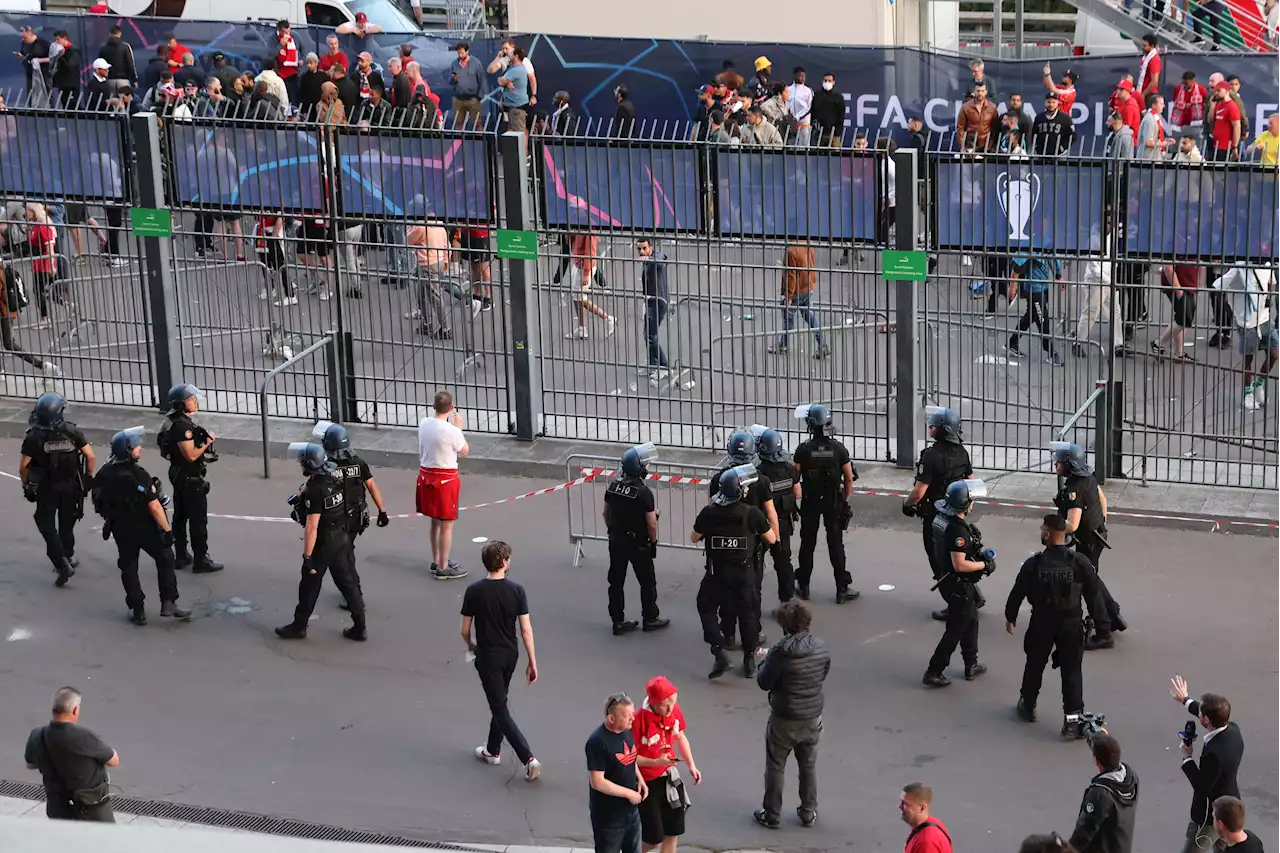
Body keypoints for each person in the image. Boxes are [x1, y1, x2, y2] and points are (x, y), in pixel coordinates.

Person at [1005, 514, 1107, 735]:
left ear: (1049, 534)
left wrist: (1010, 616)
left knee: (1034, 664)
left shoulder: (1034, 564)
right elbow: (1094, 596)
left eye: (1043, 529)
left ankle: (1028, 705)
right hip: (1071, 624)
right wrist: (1102, 626)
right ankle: (1072, 720)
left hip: (1041, 622)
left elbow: (1018, 590)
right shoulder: (1080, 562)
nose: (1041, 532)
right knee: (1071, 670)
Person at [90, 427, 190, 624]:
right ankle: (168, 601)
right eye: (136, 447)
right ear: (127, 450)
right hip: (145, 527)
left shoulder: (105, 472)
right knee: (165, 557)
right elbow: (154, 505)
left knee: (128, 566)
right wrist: (167, 531)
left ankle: (137, 609)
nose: (140, 449)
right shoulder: (138, 474)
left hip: (119, 527)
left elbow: (96, 498)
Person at [461, 541, 541, 780]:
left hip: (488, 656)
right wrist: (532, 661)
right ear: (505, 562)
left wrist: (471, 646)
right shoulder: (517, 590)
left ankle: (528, 757)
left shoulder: (474, 590)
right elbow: (526, 630)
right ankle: (493, 750)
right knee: (500, 700)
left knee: (499, 707)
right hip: (510, 655)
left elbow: (464, 630)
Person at [274, 443, 367, 641]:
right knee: (348, 584)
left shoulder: (316, 490)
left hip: (324, 542)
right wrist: (300, 494)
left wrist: (307, 557)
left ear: (309, 466)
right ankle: (360, 626)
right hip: (342, 538)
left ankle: (299, 626)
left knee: (309, 584)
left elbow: (312, 527)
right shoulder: (334, 478)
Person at [692, 465, 777, 678]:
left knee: (706, 607)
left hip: (716, 572)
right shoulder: (752, 513)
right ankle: (749, 660)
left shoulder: (709, 512)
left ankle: (719, 651)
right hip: (744, 572)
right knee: (747, 613)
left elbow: (694, 537)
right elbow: (772, 538)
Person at [754, 600, 829, 830]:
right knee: (808, 765)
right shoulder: (820, 647)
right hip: (812, 716)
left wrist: (763, 662)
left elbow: (764, 682)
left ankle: (772, 813)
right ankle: (808, 811)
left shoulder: (779, 652)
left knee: (776, 766)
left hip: (784, 718)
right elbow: (823, 673)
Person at [902, 407, 974, 621]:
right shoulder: (962, 452)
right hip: (957, 512)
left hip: (936, 515)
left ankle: (954, 605)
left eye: (933, 425)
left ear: (942, 430)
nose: (930, 428)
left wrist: (906, 504)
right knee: (959, 556)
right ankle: (973, 596)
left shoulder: (931, 455)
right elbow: (971, 481)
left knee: (939, 561)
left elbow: (919, 491)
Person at [709, 431, 778, 651]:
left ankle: (728, 634)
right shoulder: (761, 480)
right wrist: (773, 539)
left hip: (722, 548)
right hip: (751, 546)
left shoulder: (719, 479)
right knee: (751, 593)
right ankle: (753, 634)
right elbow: (771, 512)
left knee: (726, 592)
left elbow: (712, 510)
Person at [1051, 442, 1124, 648]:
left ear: (1070, 465)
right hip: (1097, 537)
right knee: (1092, 578)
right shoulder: (1088, 478)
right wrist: (1101, 522)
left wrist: (1054, 529)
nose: (1056, 466)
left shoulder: (1074, 490)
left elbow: (1072, 525)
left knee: (1088, 587)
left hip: (1088, 542)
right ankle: (1112, 614)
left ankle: (1103, 632)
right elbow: (1102, 499)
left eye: (1059, 462)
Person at [921, 479, 992, 687]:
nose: (973, 504)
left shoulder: (941, 519)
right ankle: (934, 670)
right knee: (956, 629)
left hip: (948, 580)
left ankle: (971, 663)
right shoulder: (957, 531)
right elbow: (960, 564)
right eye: (971, 501)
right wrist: (983, 565)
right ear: (964, 504)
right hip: (958, 584)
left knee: (970, 620)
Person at [20, 393, 92, 585]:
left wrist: (26, 484)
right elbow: (90, 456)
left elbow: (24, 467)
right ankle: (68, 555)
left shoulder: (33, 437)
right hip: (71, 485)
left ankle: (60, 562)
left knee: (45, 523)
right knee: (67, 522)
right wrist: (88, 478)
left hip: (46, 488)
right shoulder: (71, 431)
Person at [315, 422, 388, 609]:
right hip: (356, 518)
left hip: (334, 521)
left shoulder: (326, 467)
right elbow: (371, 486)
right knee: (347, 551)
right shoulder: (359, 463)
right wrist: (382, 511)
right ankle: (352, 593)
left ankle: (354, 595)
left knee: (342, 558)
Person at [1169, 676, 1244, 853]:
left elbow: (1201, 785)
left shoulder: (1214, 754)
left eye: (1201, 714)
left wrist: (1187, 758)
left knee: (1194, 848)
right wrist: (1185, 700)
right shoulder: (1233, 730)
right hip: (1230, 805)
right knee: (1224, 848)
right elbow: (1206, 712)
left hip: (1210, 816)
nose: (1199, 714)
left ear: (1207, 721)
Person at [24, 687, 119, 822]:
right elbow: (113, 760)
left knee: (64, 842)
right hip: (90, 808)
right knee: (104, 841)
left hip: (57, 807)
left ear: (54, 709)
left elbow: (30, 764)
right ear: (75, 710)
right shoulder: (84, 736)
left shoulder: (37, 735)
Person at [792, 404, 856, 603]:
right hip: (833, 500)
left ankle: (804, 586)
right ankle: (841, 589)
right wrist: (845, 500)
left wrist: (799, 500)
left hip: (811, 500)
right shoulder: (838, 448)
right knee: (836, 544)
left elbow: (795, 477)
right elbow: (849, 479)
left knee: (807, 543)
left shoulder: (803, 450)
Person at [603, 443, 667, 635]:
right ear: (639, 469)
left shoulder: (613, 486)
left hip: (616, 540)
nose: (647, 468)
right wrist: (653, 541)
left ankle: (618, 621)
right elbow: (652, 524)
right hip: (638, 542)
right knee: (647, 582)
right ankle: (650, 617)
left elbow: (605, 513)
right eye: (645, 465)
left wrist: (613, 531)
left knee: (616, 582)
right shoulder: (644, 493)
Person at [160, 383, 224, 574]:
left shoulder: (171, 420)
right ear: (181, 403)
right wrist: (208, 440)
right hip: (189, 476)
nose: (195, 402)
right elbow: (191, 455)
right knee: (197, 519)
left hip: (178, 473)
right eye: (190, 399)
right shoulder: (183, 426)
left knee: (180, 515)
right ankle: (200, 559)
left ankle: (181, 555)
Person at [633, 676, 699, 853]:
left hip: (669, 777)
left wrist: (691, 765)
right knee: (654, 838)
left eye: (673, 701)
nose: (670, 708)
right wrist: (655, 762)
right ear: (652, 702)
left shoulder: (674, 711)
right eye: (664, 704)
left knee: (673, 832)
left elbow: (680, 737)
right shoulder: (637, 720)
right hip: (646, 782)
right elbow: (629, 757)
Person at [1210, 265, 1278, 411]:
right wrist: (1231, 311)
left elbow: (1272, 283)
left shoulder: (1267, 264)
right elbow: (1217, 287)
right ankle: (1248, 394)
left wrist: (1268, 297)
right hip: (1247, 322)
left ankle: (1259, 384)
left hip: (1265, 319)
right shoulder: (1239, 267)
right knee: (1248, 360)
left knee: (1274, 354)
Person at [417, 390, 469, 579]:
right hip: (445, 479)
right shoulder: (452, 431)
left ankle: (437, 559)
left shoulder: (424, 423)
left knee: (434, 520)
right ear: (451, 407)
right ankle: (443, 567)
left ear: (434, 406)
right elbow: (464, 450)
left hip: (425, 475)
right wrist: (459, 427)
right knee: (447, 523)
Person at [587, 693, 647, 853]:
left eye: (632, 714)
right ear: (611, 718)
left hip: (630, 811)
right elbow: (597, 782)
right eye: (627, 716)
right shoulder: (597, 742)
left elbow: (630, 758)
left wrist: (640, 779)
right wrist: (629, 793)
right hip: (609, 817)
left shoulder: (626, 731)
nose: (633, 719)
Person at [1068, 735, 1138, 853]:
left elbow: (1084, 832)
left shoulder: (1100, 794)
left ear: (1096, 760)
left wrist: (1067, 849)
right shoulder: (1131, 778)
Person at [755, 427, 797, 604]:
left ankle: (753, 603)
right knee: (783, 561)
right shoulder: (790, 469)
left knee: (756, 564)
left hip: (762, 524)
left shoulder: (758, 472)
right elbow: (798, 492)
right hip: (783, 522)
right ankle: (787, 602)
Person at [769, 241, 828, 357]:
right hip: (808, 287)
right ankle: (823, 345)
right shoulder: (808, 245)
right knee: (810, 317)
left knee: (788, 318)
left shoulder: (791, 251)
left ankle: (783, 345)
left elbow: (791, 275)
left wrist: (789, 296)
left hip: (796, 290)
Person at [900, 783, 953, 853]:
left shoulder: (926, 843)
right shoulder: (932, 823)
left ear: (922, 808)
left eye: (906, 804)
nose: (900, 806)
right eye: (901, 802)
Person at [450, 42, 485, 130]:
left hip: (473, 99)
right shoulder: (454, 63)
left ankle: (479, 142)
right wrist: (453, 78)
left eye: (462, 53)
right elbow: (450, 82)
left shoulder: (476, 63)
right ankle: (459, 142)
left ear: (467, 51)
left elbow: (482, 80)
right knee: (458, 123)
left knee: (478, 123)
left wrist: (479, 97)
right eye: (458, 53)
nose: (460, 55)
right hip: (458, 99)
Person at [496, 47, 531, 133]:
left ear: (516, 56)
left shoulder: (516, 70)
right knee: (514, 132)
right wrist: (507, 83)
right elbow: (502, 80)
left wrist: (504, 81)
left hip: (517, 108)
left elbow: (500, 81)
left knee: (518, 132)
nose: (509, 56)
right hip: (513, 107)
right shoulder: (514, 68)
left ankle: (521, 147)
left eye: (511, 54)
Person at [1031, 90, 1075, 156]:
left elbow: (1072, 136)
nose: (1051, 105)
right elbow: (1034, 134)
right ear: (1045, 103)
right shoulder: (1039, 118)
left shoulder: (1065, 118)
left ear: (1057, 103)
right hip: (1041, 154)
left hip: (1060, 154)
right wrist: (1037, 147)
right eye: (1049, 102)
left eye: (1053, 102)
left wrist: (1063, 147)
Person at [810, 73, 846, 146]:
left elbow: (841, 115)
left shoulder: (838, 96)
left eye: (829, 81)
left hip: (834, 133)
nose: (827, 82)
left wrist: (837, 132)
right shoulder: (817, 95)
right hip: (819, 133)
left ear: (833, 82)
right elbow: (813, 112)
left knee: (834, 155)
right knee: (818, 155)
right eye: (825, 80)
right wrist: (814, 128)